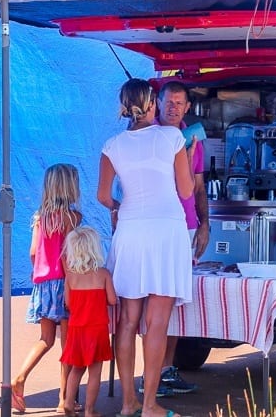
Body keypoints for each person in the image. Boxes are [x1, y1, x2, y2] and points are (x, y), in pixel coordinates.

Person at [98, 78, 195, 417]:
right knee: (156, 323)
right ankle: (151, 404)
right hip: (166, 232)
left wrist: (118, 206)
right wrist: (189, 157)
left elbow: (102, 195)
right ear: (152, 104)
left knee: (127, 321)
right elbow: (185, 191)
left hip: (130, 231)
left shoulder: (112, 144)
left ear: (125, 106)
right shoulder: (172, 137)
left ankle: (128, 404)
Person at [138, 80, 209, 397]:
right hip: (153, 226)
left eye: (179, 103)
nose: (173, 108)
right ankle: (148, 375)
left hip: (186, 226)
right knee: (150, 301)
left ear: (187, 107)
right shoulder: (146, 136)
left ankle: (166, 370)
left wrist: (205, 223)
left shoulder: (194, 137)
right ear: (157, 102)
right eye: (168, 102)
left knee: (176, 300)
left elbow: (197, 185)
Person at [12, 164, 82, 414]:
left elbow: (33, 253)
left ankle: (19, 378)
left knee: (45, 339)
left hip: (42, 284)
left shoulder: (40, 216)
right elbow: (72, 255)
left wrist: (41, 271)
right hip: (65, 285)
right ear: (71, 187)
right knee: (68, 345)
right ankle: (65, 399)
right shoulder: (73, 218)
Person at [60, 226, 117, 417]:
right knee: (95, 372)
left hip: (77, 328)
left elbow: (67, 303)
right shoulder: (103, 274)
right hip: (97, 327)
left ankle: (68, 401)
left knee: (76, 368)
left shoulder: (70, 277)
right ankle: (90, 410)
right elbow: (112, 300)